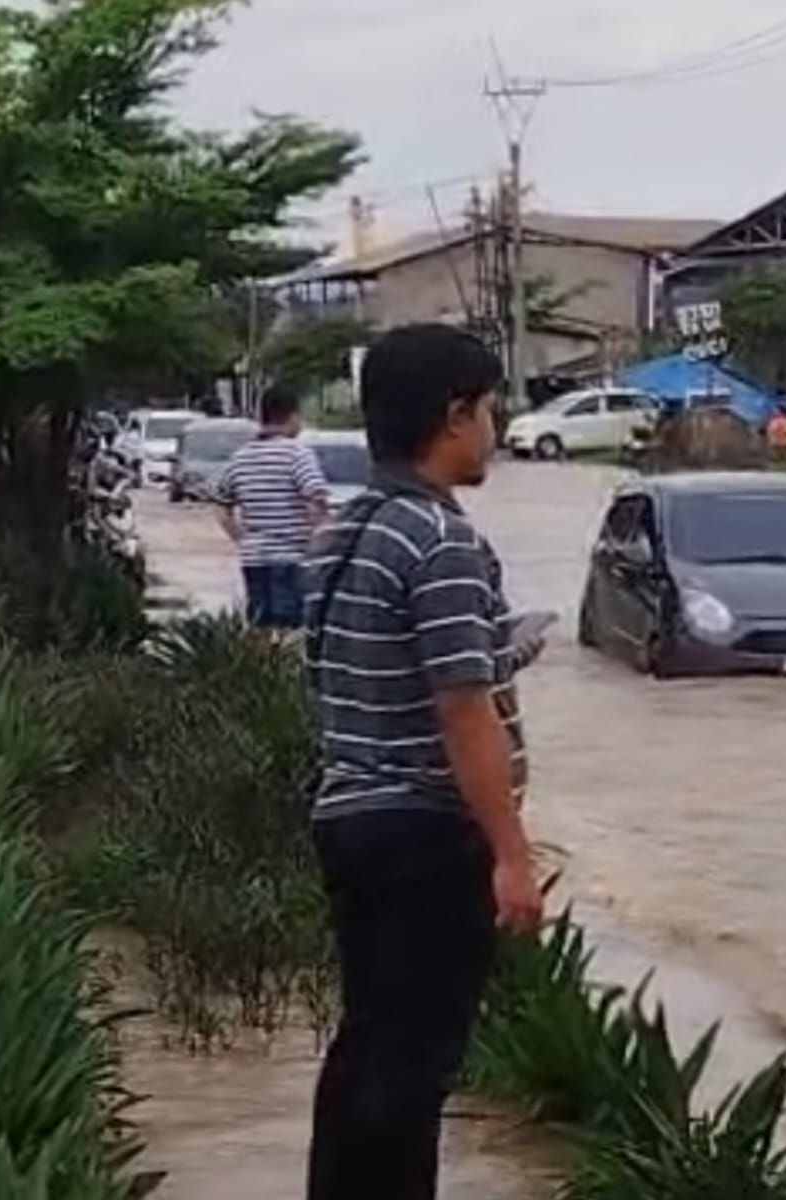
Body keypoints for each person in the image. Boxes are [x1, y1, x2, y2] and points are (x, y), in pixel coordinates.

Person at [304, 324, 544, 1200]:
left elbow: (383, 669)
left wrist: (500, 651)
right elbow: (460, 707)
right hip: (424, 832)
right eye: (489, 409)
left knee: (366, 1044)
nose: (496, 428)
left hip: (350, 815)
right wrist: (513, 854)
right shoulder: (439, 540)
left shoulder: (345, 528)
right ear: (454, 416)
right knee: (415, 1069)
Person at [214, 383, 329, 629]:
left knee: (261, 629)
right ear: (293, 416)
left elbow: (221, 508)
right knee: (293, 630)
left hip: (253, 559)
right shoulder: (298, 455)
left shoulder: (241, 457)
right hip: (291, 558)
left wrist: (243, 538)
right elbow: (315, 503)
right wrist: (320, 544)